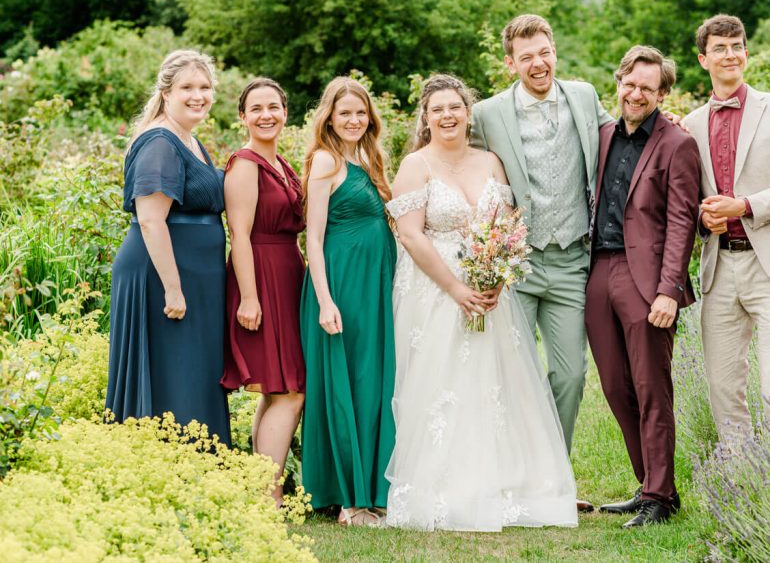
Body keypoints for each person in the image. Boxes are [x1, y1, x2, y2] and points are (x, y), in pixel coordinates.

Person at [385, 74, 578, 532]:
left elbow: (509, 224)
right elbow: (410, 235)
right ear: (425, 117)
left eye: (455, 107)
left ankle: (510, 483)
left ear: (468, 113)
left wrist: (496, 273)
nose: (447, 116)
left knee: (497, 384)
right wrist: (455, 288)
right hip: (437, 291)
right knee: (447, 384)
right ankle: (449, 489)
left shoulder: (490, 161)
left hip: (491, 292)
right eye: (437, 109)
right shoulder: (415, 165)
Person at [471, 15, 612, 508]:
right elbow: (461, 162)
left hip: (572, 259)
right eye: (526, 56)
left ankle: (554, 481)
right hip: (516, 264)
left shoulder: (584, 97)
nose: (538, 63)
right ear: (510, 62)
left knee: (570, 375)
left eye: (544, 52)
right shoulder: (487, 114)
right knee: (511, 375)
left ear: (555, 51)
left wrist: (668, 124)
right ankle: (509, 479)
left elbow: (622, 137)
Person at [682, 14, 770, 444]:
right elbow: (689, 200)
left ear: (746, 53)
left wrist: (744, 206)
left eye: (736, 46)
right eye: (719, 48)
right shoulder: (690, 124)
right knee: (722, 384)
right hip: (720, 267)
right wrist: (704, 219)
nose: (730, 54)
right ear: (703, 59)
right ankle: (739, 473)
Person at [587, 46, 701, 527]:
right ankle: (652, 485)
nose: (636, 94)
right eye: (630, 84)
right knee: (615, 386)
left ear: (663, 94)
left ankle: (659, 496)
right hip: (598, 270)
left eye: (647, 89)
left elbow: (682, 222)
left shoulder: (678, 144)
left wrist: (669, 291)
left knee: (652, 387)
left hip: (648, 280)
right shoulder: (601, 135)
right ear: (619, 82)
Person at [106, 49, 231, 445]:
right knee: (173, 373)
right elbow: (150, 219)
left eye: (205, 87)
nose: (199, 96)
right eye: (187, 87)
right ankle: (169, 460)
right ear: (166, 93)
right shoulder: (160, 141)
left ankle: (201, 461)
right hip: (163, 275)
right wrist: (173, 287)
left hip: (194, 276)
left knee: (192, 372)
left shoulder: (188, 139)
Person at [299, 77, 396, 527]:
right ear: (330, 118)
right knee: (347, 383)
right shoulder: (326, 160)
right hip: (341, 285)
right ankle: (349, 498)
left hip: (375, 284)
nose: (354, 120)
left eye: (361, 113)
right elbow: (314, 238)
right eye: (345, 114)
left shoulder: (370, 157)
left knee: (373, 382)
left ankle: (376, 488)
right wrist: (325, 300)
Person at [221, 78, 305, 506]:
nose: (266, 115)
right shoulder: (245, 164)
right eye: (256, 108)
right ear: (243, 116)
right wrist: (250, 298)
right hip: (260, 275)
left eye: (273, 107)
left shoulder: (281, 164)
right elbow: (239, 234)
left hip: (287, 274)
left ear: (285, 113)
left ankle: (260, 491)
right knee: (291, 391)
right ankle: (269, 498)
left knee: (277, 388)